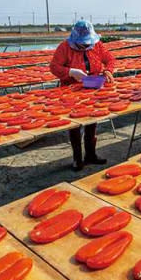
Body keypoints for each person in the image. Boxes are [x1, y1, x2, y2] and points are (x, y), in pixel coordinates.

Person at [49, 20, 116, 170]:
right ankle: (77, 159)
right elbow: (54, 67)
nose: (85, 46)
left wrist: (108, 70)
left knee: (92, 121)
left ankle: (91, 155)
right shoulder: (65, 47)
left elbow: (110, 59)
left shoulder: (97, 45)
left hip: (93, 87)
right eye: (82, 44)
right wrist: (70, 72)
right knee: (75, 123)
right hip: (70, 90)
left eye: (87, 43)